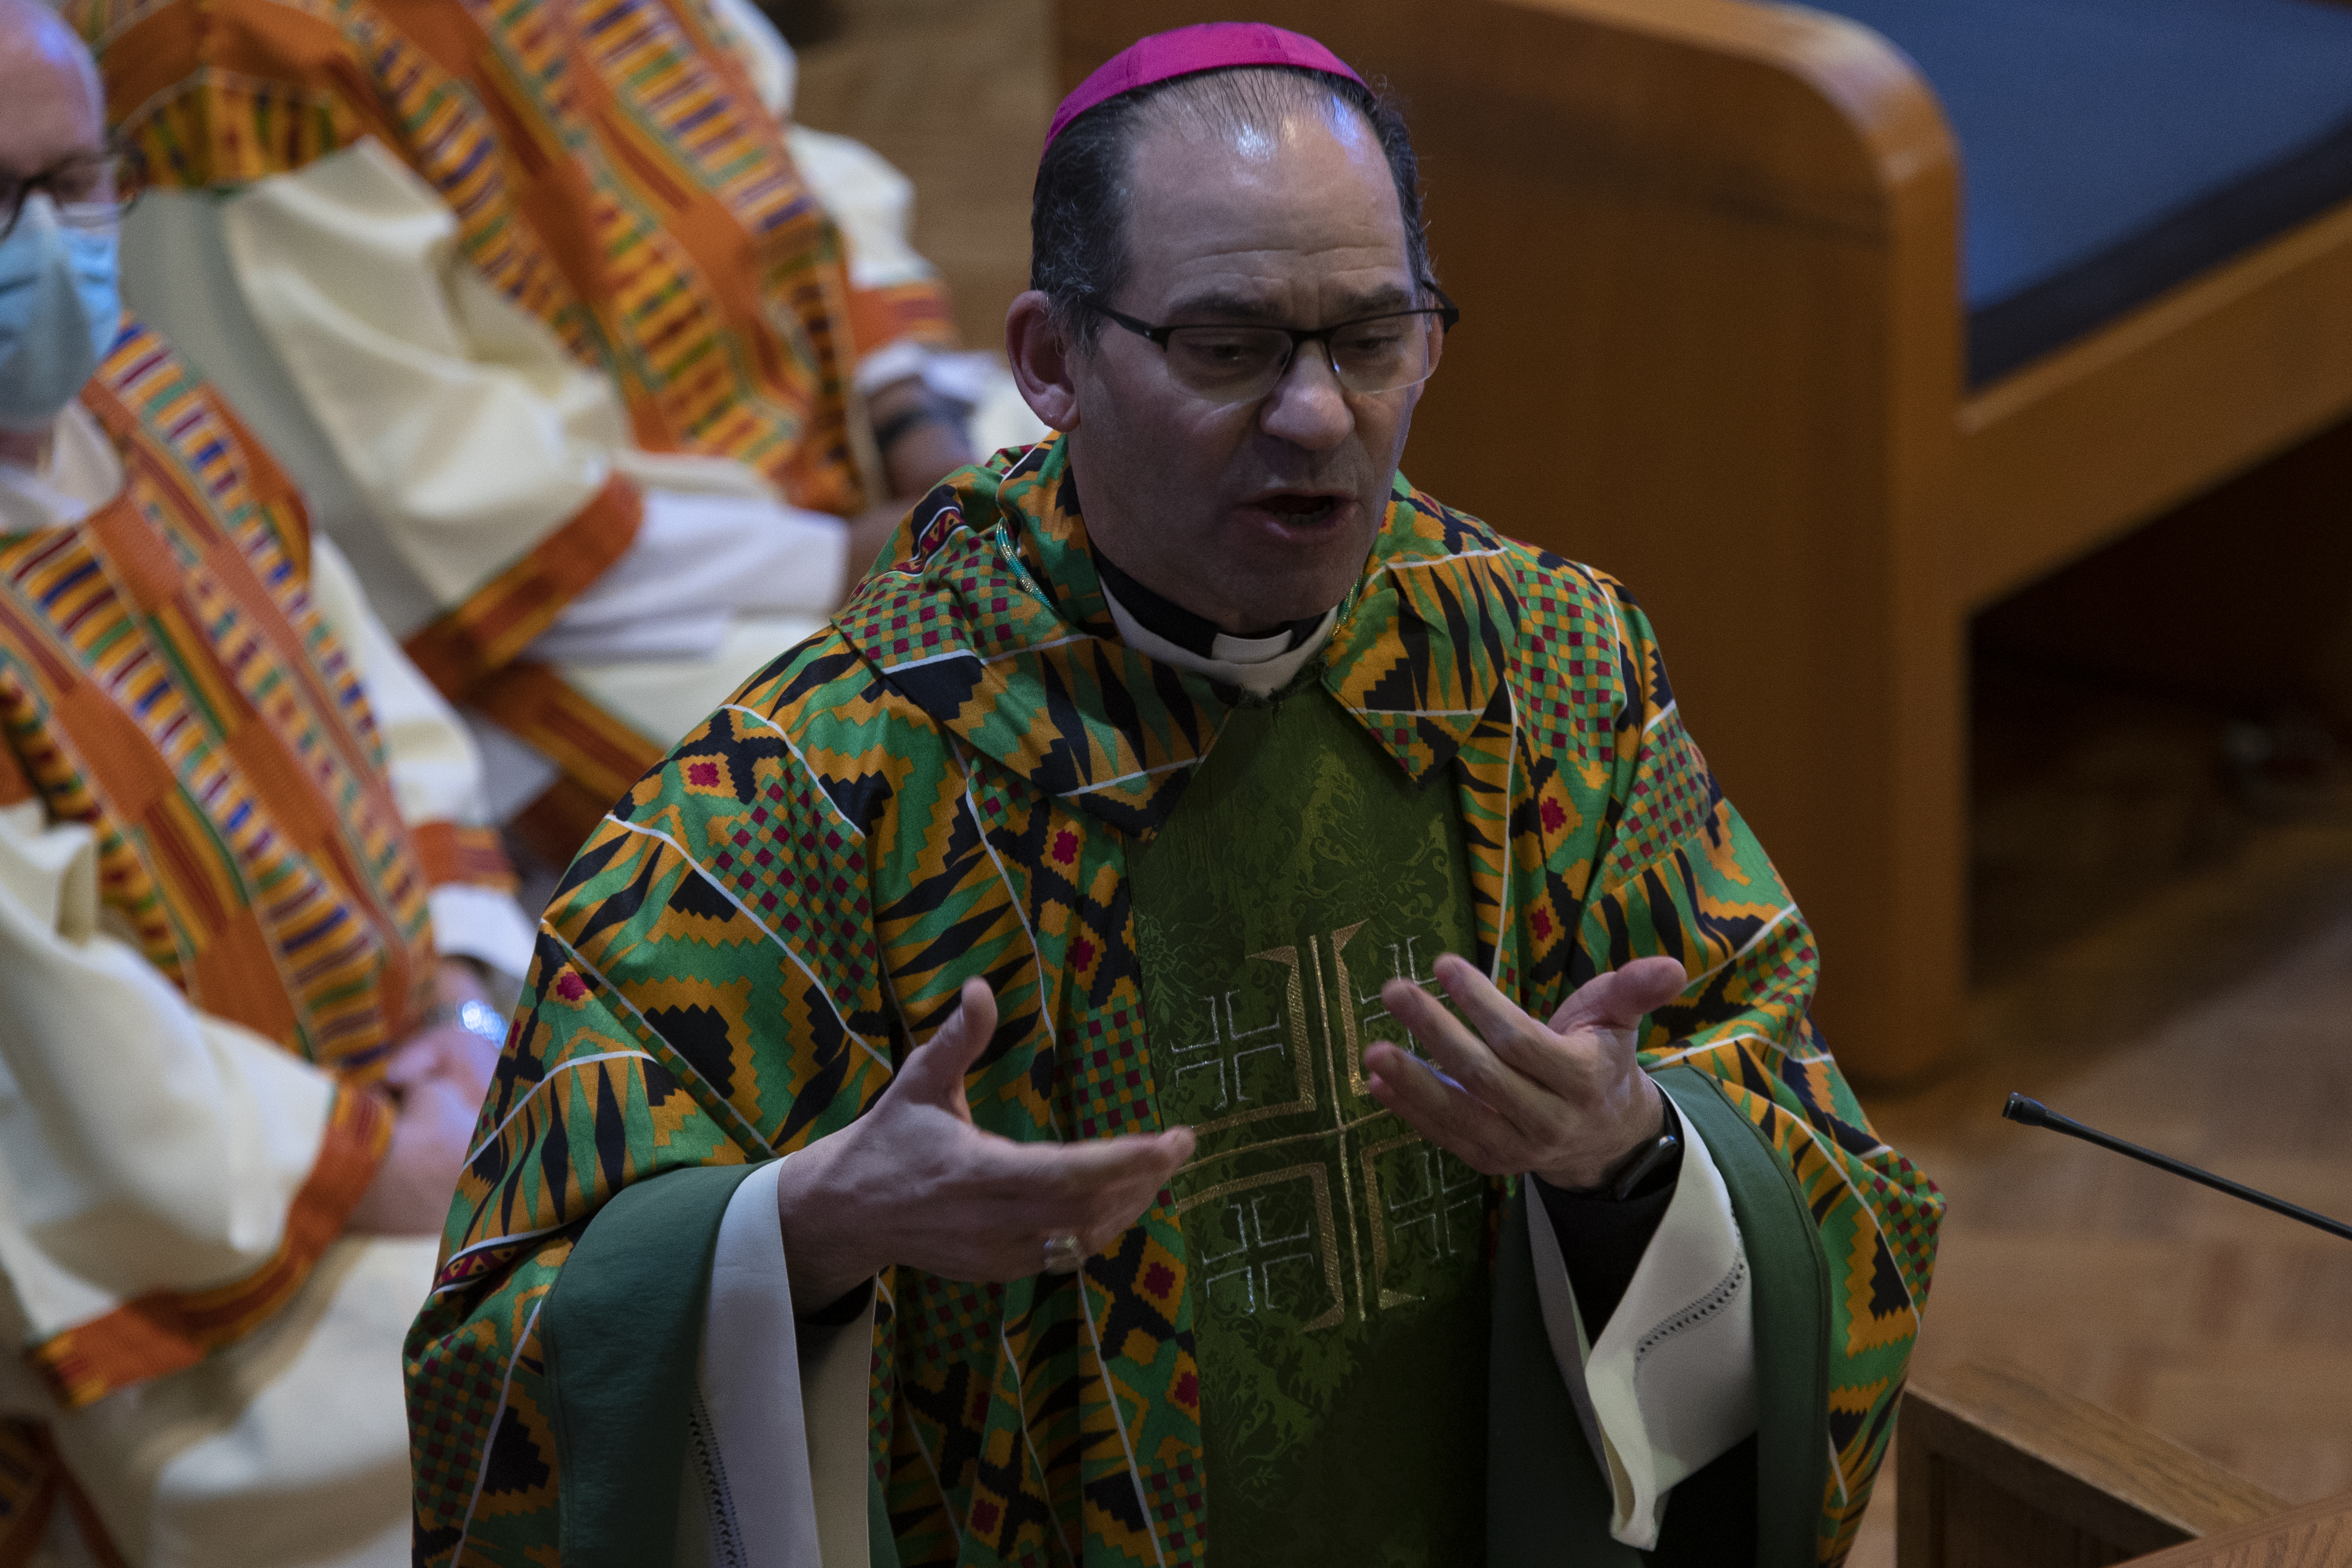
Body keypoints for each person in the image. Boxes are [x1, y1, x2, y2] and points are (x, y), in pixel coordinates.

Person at [408, 23, 1943, 1567]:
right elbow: (515, 1337)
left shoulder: (1552, 675)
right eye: (1229, 348)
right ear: (1050, 363)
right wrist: (803, 1234)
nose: (1315, 416)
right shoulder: (815, 796)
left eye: (1371, 339)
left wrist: (1633, 1157)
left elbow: (1826, 1165)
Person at [70, 0, 1045, 863]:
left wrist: (911, 420)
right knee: (991, 802)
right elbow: (405, 499)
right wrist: (841, 560)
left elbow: (781, 159)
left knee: (1133, 534)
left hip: (843, 456)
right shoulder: (227, 48)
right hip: (574, 618)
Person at [0, 4, 539, 1562]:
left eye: (75, 182)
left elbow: (383, 721)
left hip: (409, 1091)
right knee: (606, 1348)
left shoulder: (156, 408)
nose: (45, 244)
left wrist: (456, 994)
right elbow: (64, 1060)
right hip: (179, 1268)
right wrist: (390, 1159)